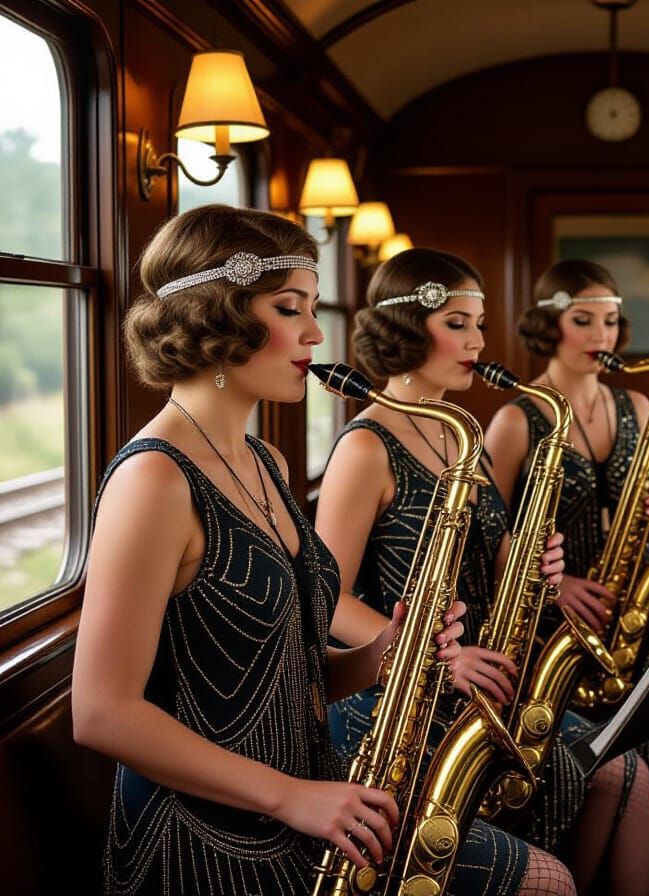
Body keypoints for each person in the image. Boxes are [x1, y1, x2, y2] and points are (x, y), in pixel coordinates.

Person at [71, 205, 466, 895]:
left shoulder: (267, 461)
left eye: (313, 308)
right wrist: (291, 796)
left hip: (296, 806)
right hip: (203, 845)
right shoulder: (153, 480)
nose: (317, 333)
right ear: (219, 317)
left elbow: (285, 666)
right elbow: (102, 713)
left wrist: (380, 657)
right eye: (291, 309)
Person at [314, 248, 649, 896]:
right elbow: (325, 600)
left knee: (618, 770)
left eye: (480, 325)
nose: (477, 342)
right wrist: (442, 660)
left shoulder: (461, 427)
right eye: (458, 324)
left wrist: (529, 566)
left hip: (471, 682)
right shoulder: (366, 446)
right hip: (396, 704)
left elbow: (486, 544)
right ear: (407, 329)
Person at [484, 259, 649, 894]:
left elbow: (645, 523)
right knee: (627, 762)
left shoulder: (639, 405)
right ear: (550, 325)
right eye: (582, 319)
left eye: (611, 321)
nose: (601, 335)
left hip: (623, 622)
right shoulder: (517, 418)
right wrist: (556, 585)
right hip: (546, 634)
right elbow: (488, 536)